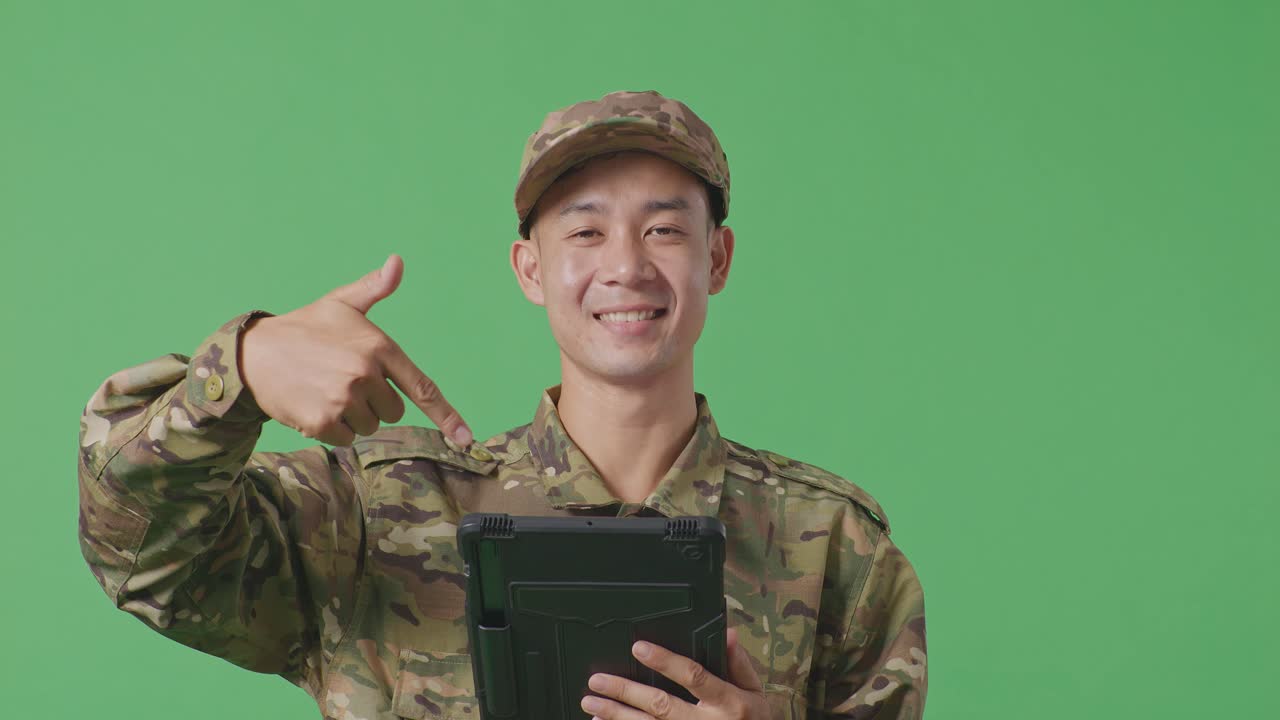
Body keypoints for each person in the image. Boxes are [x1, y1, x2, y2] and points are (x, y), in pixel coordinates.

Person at [78, 89, 927, 720]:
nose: (626, 266)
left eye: (665, 229)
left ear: (719, 259)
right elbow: (141, 552)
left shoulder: (833, 546)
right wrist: (243, 367)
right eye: (585, 231)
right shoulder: (379, 511)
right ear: (530, 269)